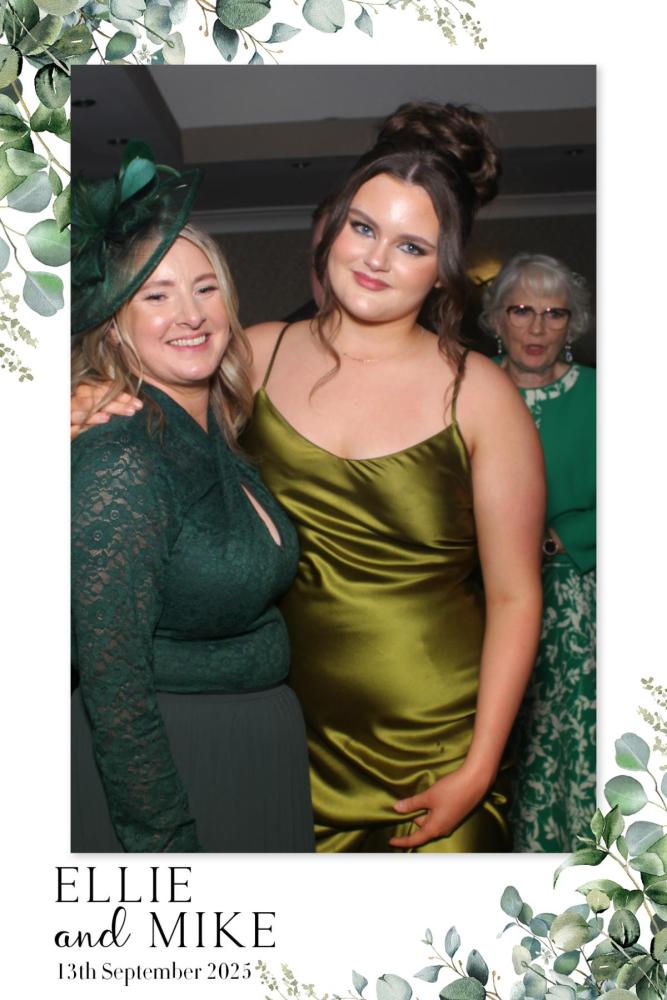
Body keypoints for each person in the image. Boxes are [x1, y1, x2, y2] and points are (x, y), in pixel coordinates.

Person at [72, 104, 546, 853]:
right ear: (330, 229)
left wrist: (481, 765)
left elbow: (517, 595)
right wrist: (80, 395)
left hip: (433, 748)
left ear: (442, 268)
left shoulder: (482, 394)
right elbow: (154, 408)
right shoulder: (254, 355)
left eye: (411, 246)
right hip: (282, 737)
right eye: (363, 228)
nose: (376, 259)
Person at [70, 143, 314, 852]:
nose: (190, 314)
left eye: (205, 288)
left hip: (248, 756)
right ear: (116, 324)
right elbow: (113, 683)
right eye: (156, 294)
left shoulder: (219, 438)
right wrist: (164, 840)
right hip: (174, 769)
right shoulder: (123, 457)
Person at [480, 252, 596, 852]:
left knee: (573, 746)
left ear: (572, 324)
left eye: (555, 313)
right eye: (521, 309)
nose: (537, 327)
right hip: (478, 596)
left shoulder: (604, 395)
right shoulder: (469, 392)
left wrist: (561, 537)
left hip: (576, 598)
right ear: (496, 318)